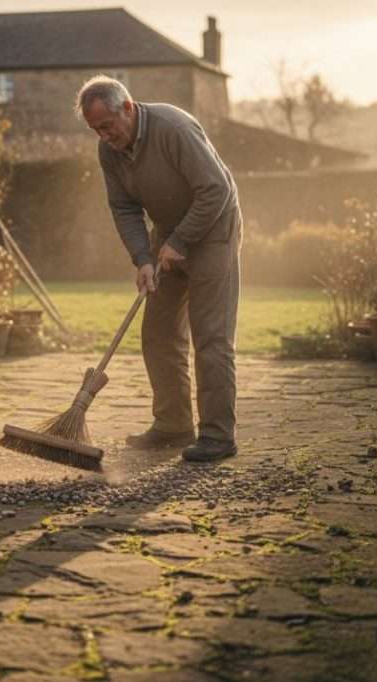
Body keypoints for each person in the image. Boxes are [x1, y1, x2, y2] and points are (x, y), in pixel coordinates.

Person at [76, 75, 242, 462]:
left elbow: (216, 189)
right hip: (167, 233)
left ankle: (218, 436)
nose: (103, 136)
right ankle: (173, 426)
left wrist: (181, 242)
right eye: (94, 129)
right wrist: (143, 259)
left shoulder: (174, 128)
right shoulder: (110, 151)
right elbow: (124, 208)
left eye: (107, 125)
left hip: (215, 230)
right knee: (158, 333)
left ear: (128, 108)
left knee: (211, 338)